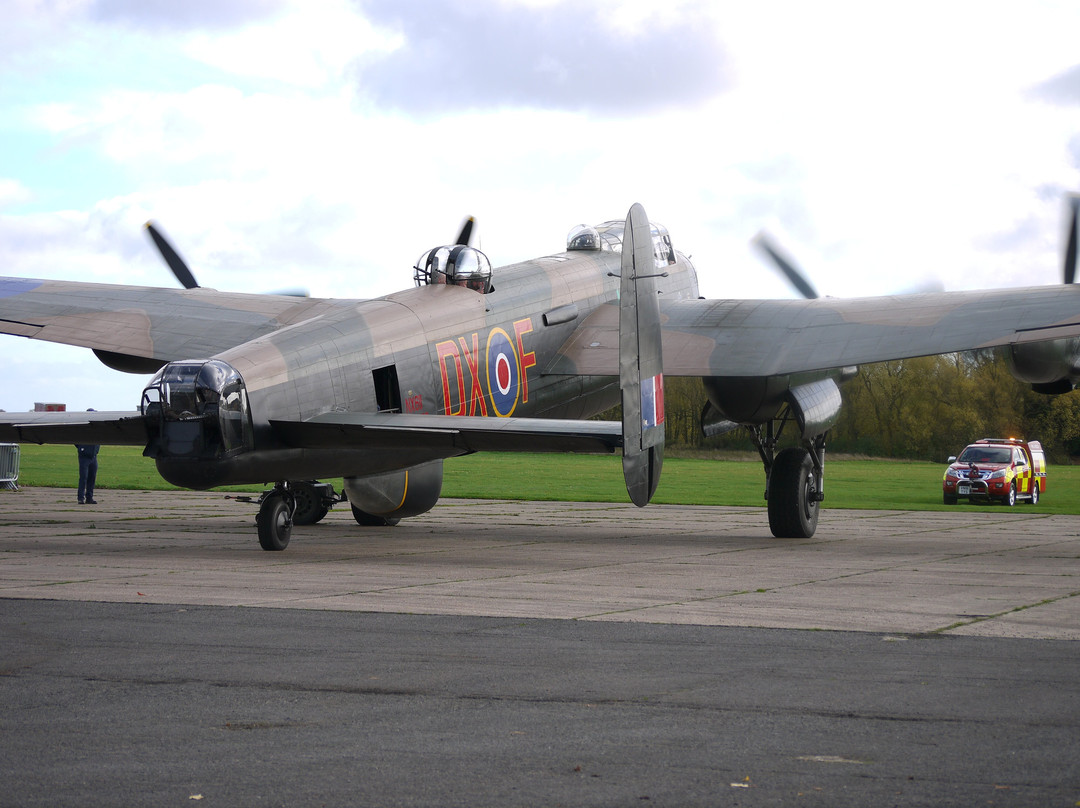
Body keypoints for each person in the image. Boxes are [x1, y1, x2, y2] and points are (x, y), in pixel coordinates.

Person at [76, 409, 100, 505]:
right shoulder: (83, 428)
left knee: (92, 477)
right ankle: (80, 498)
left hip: (93, 456)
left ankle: (89, 497)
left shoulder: (96, 429)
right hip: (84, 456)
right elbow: (75, 440)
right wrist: (82, 447)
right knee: (83, 477)